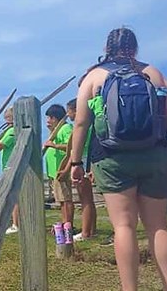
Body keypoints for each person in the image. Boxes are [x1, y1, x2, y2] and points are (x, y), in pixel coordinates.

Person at [66, 27, 167, 291]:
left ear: (106, 47)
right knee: (158, 226)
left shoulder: (94, 77)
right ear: (136, 47)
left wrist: (75, 162)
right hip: (154, 155)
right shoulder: (154, 74)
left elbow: (81, 124)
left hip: (112, 158)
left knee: (124, 225)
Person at [64, 99, 97, 241]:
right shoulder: (91, 125)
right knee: (88, 199)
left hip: (83, 160)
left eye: (69, 111)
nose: (68, 114)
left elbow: (76, 148)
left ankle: (85, 233)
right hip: (86, 160)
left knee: (85, 199)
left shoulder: (83, 126)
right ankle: (91, 229)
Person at [43, 104, 74, 231]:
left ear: (56, 118)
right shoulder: (55, 132)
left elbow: (70, 145)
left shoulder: (65, 128)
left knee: (65, 199)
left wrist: (54, 146)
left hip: (61, 169)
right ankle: (64, 224)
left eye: (50, 118)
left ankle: (68, 226)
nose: (48, 121)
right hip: (53, 171)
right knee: (61, 200)